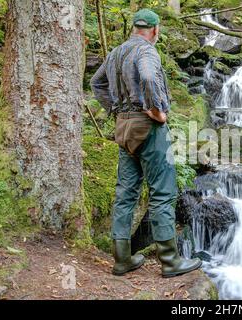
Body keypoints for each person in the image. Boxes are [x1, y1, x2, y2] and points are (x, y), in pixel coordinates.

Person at [90, 9, 201, 278]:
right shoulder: (147, 52)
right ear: (155, 30)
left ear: (134, 28)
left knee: (126, 192)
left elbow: (96, 83)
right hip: (148, 128)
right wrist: (155, 110)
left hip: (124, 128)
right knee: (162, 192)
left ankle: (122, 259)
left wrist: (115, 110)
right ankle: (170, 261)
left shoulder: (116, 52)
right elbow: (150, 78)